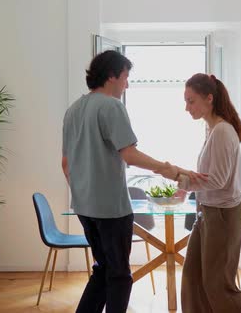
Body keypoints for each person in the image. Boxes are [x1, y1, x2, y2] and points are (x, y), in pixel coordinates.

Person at [61, 50, 204, 313]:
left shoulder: (73, 110)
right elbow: (129, 154)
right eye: (125, 77)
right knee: (119, 276)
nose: (127, 84)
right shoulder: (111, 106)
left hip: (84, 207)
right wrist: (171, 170)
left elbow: (66, 164)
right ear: (112, 75)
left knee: (102, 270)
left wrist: (84, 192)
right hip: (111, 210)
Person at [175, 73, 241, 313]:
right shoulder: (211, 129)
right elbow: (207, 176)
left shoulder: (222, 131)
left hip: (223, 216)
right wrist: (186, 188)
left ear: (209, 99)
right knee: (193, 280)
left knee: (218, 286)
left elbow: (219, 180)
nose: (186, 107)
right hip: (207, 214)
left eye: (191, 101)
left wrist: (182, 179)